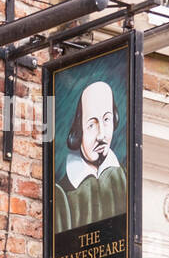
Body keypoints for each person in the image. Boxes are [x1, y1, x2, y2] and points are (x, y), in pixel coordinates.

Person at [54, 78, 127, 232]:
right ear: (77, 131)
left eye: (107, 119)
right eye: (91, 125)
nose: (101, 135)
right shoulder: (62, 196)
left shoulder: (127, 178)